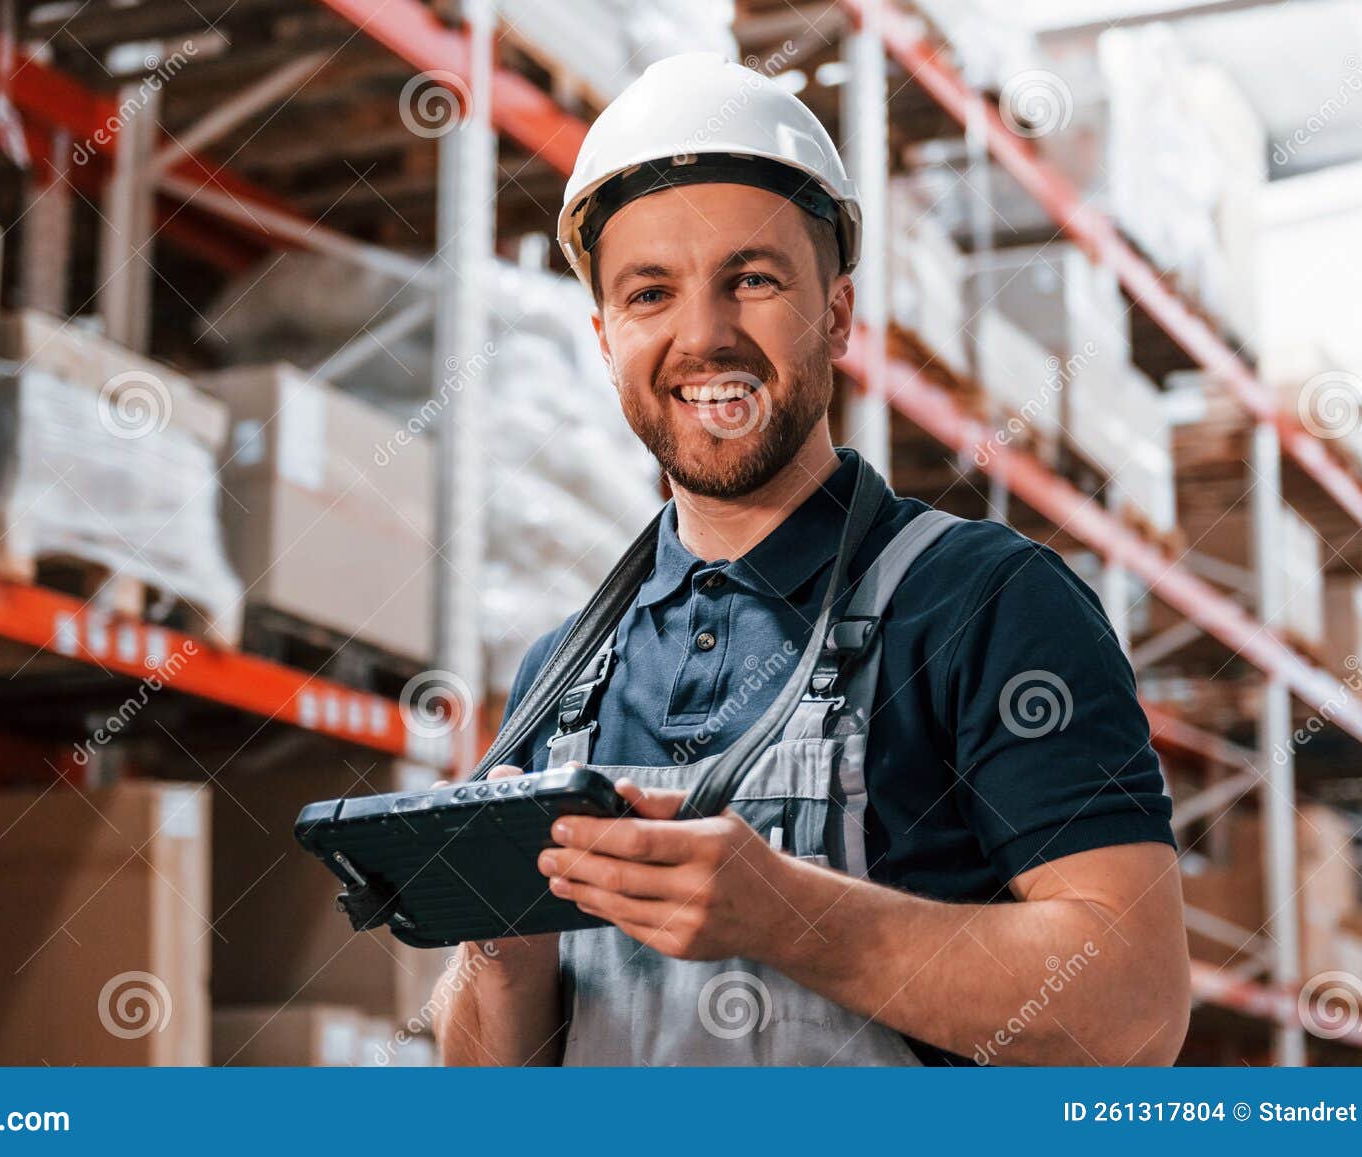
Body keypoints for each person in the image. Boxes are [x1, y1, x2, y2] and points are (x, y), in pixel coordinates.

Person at [431, 52, 1189, 1067]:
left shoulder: (984, 603)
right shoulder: (558, 677)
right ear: (606, 337)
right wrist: (501, 958)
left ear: (834, 312)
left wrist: (782, 913)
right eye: (651, 293)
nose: (702, 337)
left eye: (750, 280)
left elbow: (1134, 1007)